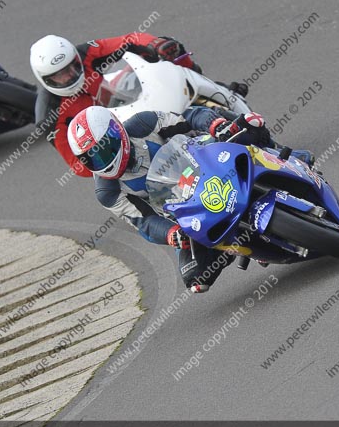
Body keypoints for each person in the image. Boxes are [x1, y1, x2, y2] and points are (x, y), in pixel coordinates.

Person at [66, 105, 288, 293]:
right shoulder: (107, 191)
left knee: (247, 125)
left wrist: (214, 124)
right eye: (92, 158)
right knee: (196, 277)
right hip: (186, 210)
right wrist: (171, 234)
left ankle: (284, 158)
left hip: (207, 163)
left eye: (104, 149)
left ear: (117, 131)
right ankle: (245, 245)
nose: (102, 159)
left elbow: (189, 117)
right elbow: (144, 221)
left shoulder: (144, 123)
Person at [30, 33, 246, 178]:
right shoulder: (49, 115)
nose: (69, 76)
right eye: (60, 75)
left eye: (72, 67)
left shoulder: (87, 53)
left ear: (76, 58)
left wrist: (154, 44)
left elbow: (130, 41)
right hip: (113, 133)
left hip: (124, 97)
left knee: (170, 48)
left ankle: (216, 89)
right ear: (46, 80)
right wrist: (107, 150)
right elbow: (78, 166)